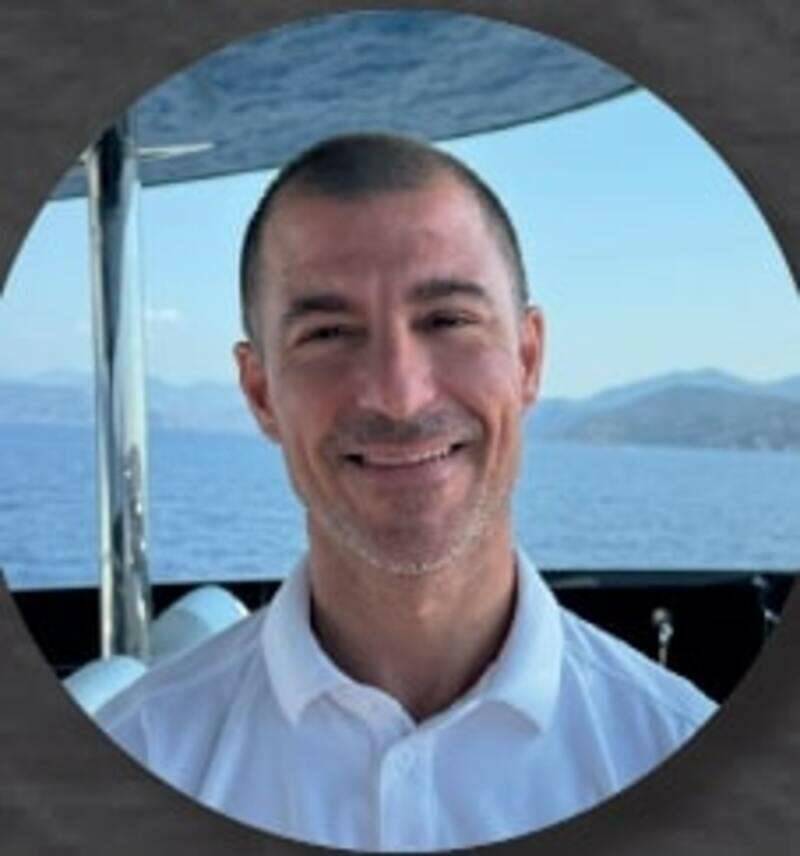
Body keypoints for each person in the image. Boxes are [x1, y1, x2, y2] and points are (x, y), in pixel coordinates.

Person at [96, 133, 715, 851]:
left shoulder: (680, 757)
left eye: (447, 321)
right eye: (329, 333)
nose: (398, 394)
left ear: (527, 358)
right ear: (260, 392)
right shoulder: (133, 765)